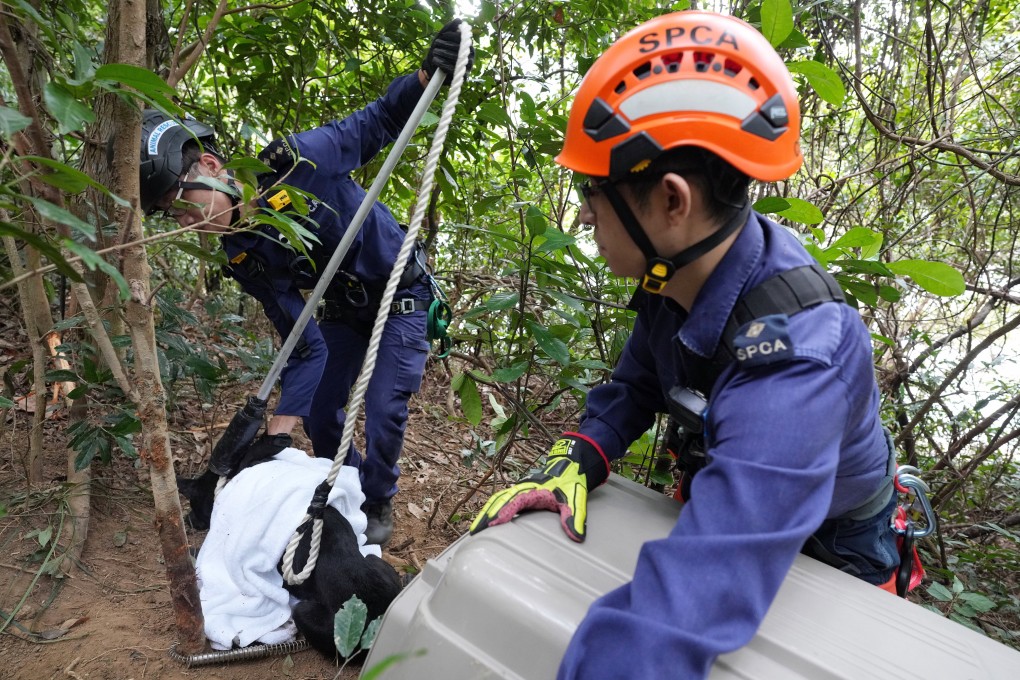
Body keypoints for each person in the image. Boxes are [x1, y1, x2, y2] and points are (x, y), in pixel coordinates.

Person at [470, 10, 900, 679]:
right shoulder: (679, 270)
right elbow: (639, 381)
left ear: (672, 201)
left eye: (594, 192)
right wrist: (580, 454)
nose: (584, 214)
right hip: (736, 495)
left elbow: (684, 605)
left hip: (837, 541)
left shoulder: (798, 357)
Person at [139, 20, 474, 546]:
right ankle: (349, 484)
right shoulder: (242, 252)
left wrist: (426, 73)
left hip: (400, 295)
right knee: (320, 413)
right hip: (342, 311)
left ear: (210, 165)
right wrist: (274, 437)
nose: (186, 221)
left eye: (184, 202)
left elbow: (380, 121)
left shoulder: (294, 163)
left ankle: (379, 495)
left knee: (385, 405)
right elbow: (303, 346)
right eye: (170, 215)